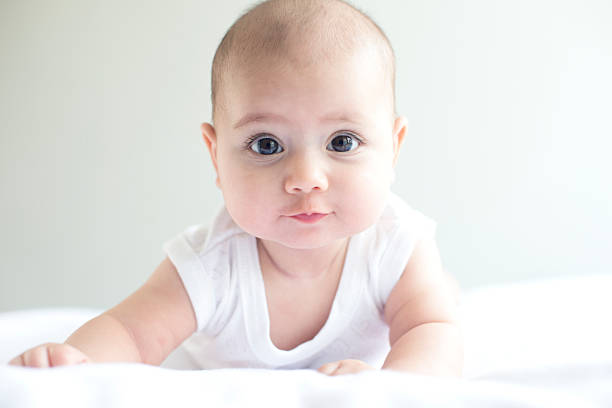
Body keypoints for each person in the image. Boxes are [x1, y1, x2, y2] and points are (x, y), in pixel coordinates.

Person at [9, 0, 463, 376]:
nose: (306, 176)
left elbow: (434, 330)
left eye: (341, 142)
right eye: (267, 145)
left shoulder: (397, 245)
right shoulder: (210, 266)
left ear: (393, 149)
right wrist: (76, 362)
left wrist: (394, 387)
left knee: (434, 317)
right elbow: (131, 333)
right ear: (216, 156)